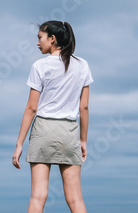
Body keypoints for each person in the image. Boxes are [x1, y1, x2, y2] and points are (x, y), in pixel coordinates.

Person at [12, 20, 93, 213]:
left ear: (52, 38)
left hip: (43, 130)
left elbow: (32, 108)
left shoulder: (39, 66)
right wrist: (83, 140)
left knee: (38, 197)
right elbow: (85, 107)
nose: (38, 43)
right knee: (75, 199)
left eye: (40, 38)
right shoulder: (82, 65)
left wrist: (19, 144)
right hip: (69, 131)